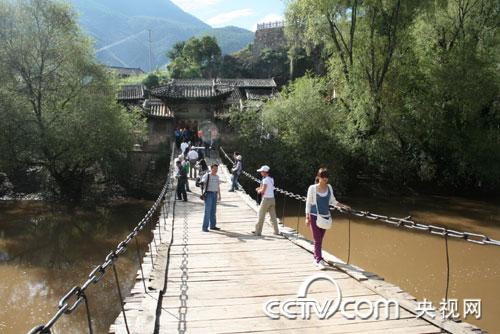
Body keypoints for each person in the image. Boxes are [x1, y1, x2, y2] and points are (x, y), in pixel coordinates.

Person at [305, 168, 349, 270]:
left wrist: (343, 206)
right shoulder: (312, 188)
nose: (325, 181)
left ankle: (316, 256)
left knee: (320, 239)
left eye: (326, 179)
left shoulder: (329, 187)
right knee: (318, 239)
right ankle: (318, 260)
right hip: (314, 216)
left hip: (325, 218)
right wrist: (307, 217)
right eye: (323, 178)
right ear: (318, 178)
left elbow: (333, 201)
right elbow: (308, 203)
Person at [252, 165, 280, 236]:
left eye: (261, 171)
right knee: (273, 216)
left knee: (261, 215)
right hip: (272, 199)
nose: (260, 173)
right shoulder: (271, 179)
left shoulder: (265, 180)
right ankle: (276, 231)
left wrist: (258, 191)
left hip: (266, 200)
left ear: (265, 172)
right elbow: (268, 188)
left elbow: (263, 191)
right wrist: (260, 188)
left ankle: (258, 231)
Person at [201, 164, 221, 232]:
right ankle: (205, 227)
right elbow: (203, 181)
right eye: (214, 168)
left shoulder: (217, 177)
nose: (216, 170)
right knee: (207, 211)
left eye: (217, 169)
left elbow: (218, 186)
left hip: (215, 194)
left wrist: (219, 195)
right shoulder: (207, 175)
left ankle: (212, 226)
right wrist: (202, 182)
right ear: (211, 168)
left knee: (213, 211)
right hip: (209, 194)